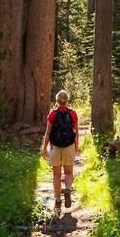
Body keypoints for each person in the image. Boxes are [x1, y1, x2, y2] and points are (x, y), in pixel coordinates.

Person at [41, 89, 80, 217]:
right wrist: (76, 147)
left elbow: (48, 132)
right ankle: (68, 190)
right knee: (69, 172)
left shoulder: (52, 114)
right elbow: (76, 132)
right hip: (69, 146)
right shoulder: (73, 114)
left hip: (55, 147)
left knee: (56, 176)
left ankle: (57, 200)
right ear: (67, 100)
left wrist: (44, 148)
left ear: (57, 101)